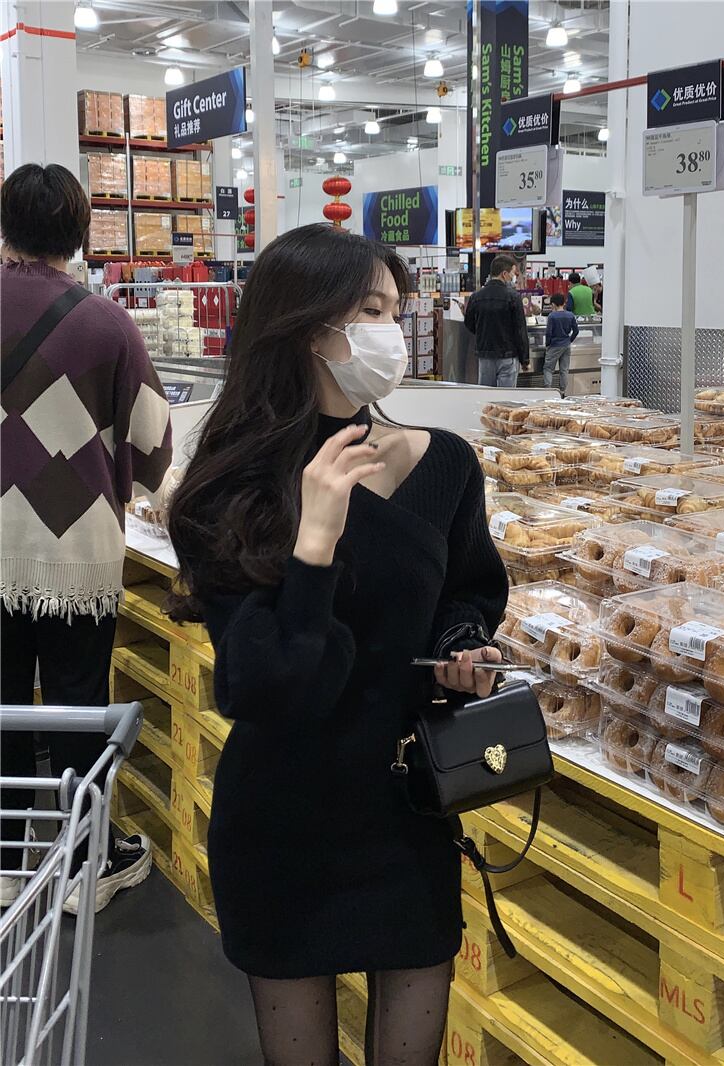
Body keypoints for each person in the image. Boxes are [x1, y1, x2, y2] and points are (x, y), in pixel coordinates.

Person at [166, 223, 508, 1066]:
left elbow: (468, 588)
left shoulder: (442, 464)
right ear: (310, 328)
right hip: (285, 816)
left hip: (405, 805)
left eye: (395, 308)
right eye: (371, 311)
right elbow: (264, 687)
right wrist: (314, 541)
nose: (394, 331)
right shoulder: (232, 488)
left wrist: (465, 646)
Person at [0, 164, 173, 911]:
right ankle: (83, 866)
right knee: (77, 704)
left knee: (2, 704)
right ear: (78, 232)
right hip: (76, 551)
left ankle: (4, 861)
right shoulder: (107, 323)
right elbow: (154, 445)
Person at [464, 254, 529, 387]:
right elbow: (520, 330)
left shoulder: (476, 297)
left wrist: (483, 332)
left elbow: (469, 323)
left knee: (486, 394)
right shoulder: (513, 297)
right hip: (508, 355)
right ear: (504, 274)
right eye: (512, 273)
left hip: (485, 354)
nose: (513, 277)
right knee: (506, 397)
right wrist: (525, 359)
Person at [544, 291, 580, 397]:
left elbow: (548, 333)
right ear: (564, 303)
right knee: (564, 370)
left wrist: (547, 344)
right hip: (566, 345)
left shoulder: (552, 316)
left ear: (553, 304)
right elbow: (576, 331)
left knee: (548, 368)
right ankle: (563, 392)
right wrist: (569, 340)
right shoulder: (570, 315)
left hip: (555, 345)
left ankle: (548, 391)